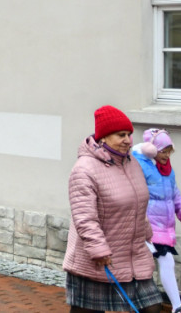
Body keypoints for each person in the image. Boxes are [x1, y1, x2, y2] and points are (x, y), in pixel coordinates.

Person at [63, 105, 164, 313]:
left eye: (129, 134)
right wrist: (98, 249)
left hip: (133, 255)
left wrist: (148, 236)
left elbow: (137, 204)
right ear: (104, 138)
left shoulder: (132, 163)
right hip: (97, 258)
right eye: (121, 135)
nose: (128, 140)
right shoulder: (84, 169)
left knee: (152, 307)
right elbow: (84, 217)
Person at [133, 128, 181, 313]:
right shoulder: (138, 165)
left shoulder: (167, 171)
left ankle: (176, 306)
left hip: (162, 228)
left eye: (170, 151)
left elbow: (175, 195)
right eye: (163, 151)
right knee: (143, 267)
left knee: (167, 261)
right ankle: (140, 304)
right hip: (144, 227)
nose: (167, 155)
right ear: (151, 150)